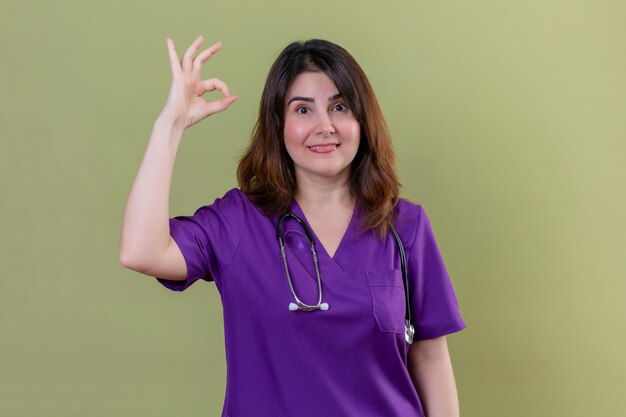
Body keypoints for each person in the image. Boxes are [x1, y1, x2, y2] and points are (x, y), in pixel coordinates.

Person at [119, 34, 466, 417]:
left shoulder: (405, 226)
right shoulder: (238, 222)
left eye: (340, 106)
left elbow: (431, 358)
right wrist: (170, 124)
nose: (324, 126)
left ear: (362, 120)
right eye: (303, 110)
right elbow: (141, 250)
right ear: (279, 125)